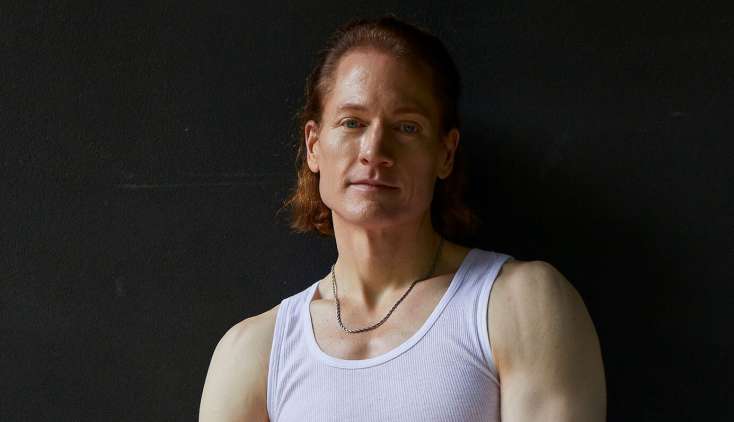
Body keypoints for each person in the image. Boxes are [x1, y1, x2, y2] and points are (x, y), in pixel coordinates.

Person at [199, 15, 606, 422]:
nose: (374, 151)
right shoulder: (254, 353)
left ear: (445, 154)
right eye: (352, 122)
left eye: (406, 127)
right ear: (314, 146)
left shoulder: (520, 304)